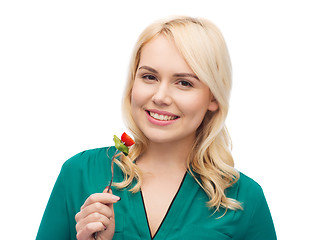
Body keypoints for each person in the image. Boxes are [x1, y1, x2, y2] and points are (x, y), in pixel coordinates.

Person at [36, 16, 277, 240]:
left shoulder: (244, 198)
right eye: (149, 77)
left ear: (213, 98)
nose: (160, 96)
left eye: (184, 83)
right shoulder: (80, 174)